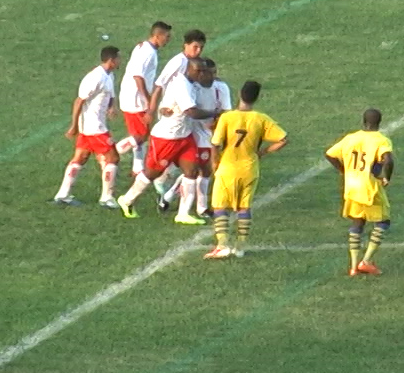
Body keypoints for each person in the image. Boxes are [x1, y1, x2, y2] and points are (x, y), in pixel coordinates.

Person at [117, 58, 220, 225]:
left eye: (203, 71)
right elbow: (192, 112)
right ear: (189, 70)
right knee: (152, 173)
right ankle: (127, 200)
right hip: (167, 137)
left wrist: (163, 108)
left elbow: (166, 101)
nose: (201, 74)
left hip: (185, 136)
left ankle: (183, 213)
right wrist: (214, 113)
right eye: (199, 71)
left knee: (192, 171)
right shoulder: (183, 85)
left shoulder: (191, 82)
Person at [204, 81, 288, 259]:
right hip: (250, 168)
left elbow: (215, 144)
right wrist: (263, 152)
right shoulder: (261, 118)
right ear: (256, 98)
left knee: (219, 205)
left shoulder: (227, 118)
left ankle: (223, 244)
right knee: (244, 206)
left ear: (240, 94)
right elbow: (283, 139)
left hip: (228, 167)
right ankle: (240, 246)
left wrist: (214, 163)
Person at [159, 58, 232, 218]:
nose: (212, 76)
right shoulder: (192, 86)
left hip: (211, 134)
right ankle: (201, 208)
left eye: (214, 73)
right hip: (192, 132)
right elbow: (174, 103)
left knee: (202, 170)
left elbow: (227, 111)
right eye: (208, 73)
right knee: (199, 169)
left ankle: (169, 196)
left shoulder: (221, 88)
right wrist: (165, 109)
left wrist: (219, 124)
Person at [324, 109, 394, 276]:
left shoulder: (351, 138)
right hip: (369, 187)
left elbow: (329, 154)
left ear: (363, 122)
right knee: (383, 222)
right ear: (379, 122)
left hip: (352, 187)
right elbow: (388, 160)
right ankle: (366, 261)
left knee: (358, 222)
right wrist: (386, 177)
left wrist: (343, 170)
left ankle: (354, 266)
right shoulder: (381, 140)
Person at [53, 46, 121, 208]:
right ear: (111, 61)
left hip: (93, 126)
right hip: (94, 127)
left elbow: (109, 94)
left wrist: (111, 106)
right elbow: (79, 101)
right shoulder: (95, 77)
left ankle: (62, 194)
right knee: (113, 158)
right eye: (119, 58)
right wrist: (74, 126)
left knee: (80, 158)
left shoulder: (109, 75)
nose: (120, 61)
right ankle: (106, 198)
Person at [148, 29, 208, 195]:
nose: (198, 51)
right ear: (185, 45)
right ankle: (158, 179)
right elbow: (160, 84)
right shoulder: (178, 62)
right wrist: (154, 109)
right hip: (173, 113)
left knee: (188, 149)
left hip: (185, 113)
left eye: (201, 47)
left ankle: (168, 180)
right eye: (195, 47)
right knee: (177, 150)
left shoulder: (196, 66)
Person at [116, 21, 172, 175]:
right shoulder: (148, 52)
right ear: (157, 35)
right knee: (141, 135)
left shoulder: (144, 47)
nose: (168, 40)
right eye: (166, 36)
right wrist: (149, 101)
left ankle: (137, 168)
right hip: (135, 99)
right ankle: (112, 152)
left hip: (130, 96)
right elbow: (138, 77)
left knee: (139, 134)